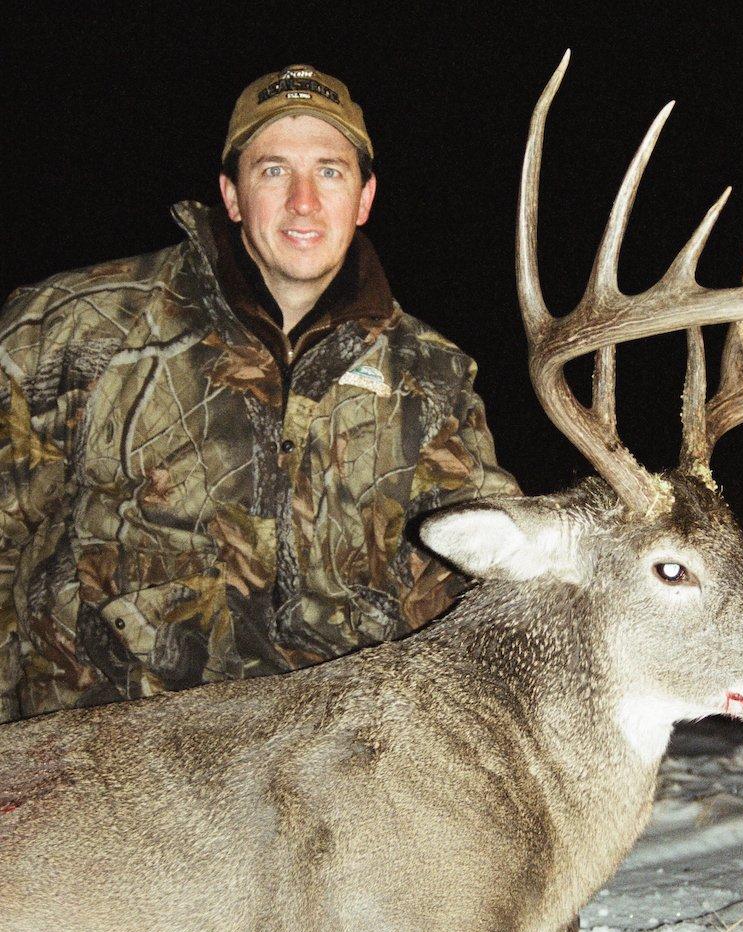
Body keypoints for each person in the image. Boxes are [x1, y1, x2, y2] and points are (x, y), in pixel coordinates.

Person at [0, 64, 519, 723]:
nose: (304, 200)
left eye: (330, 171)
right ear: (233, 194)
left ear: (364, 198)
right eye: (274, 170)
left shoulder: (433, 380)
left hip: (324, 780)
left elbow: (480, 592)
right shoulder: (77, 329)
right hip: (98, 783)